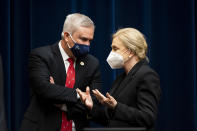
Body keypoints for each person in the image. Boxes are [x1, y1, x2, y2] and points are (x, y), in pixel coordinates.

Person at [20, 13, 102, 131]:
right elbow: (44, 90)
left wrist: (62, 103)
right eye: (83, 39)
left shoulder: (92, 63)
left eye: (90, 40)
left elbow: (94, 102)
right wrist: (79, 95)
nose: (87, 45)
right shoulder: (41, 55)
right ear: (67, 36)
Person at [77, 28, 161, 131]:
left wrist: (116, 106)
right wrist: (90, 107)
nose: (111, 53)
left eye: (115, 49)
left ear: (130, 51)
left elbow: (147, 118)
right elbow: (110, 119)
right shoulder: (121, 78)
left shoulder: (147, 75)